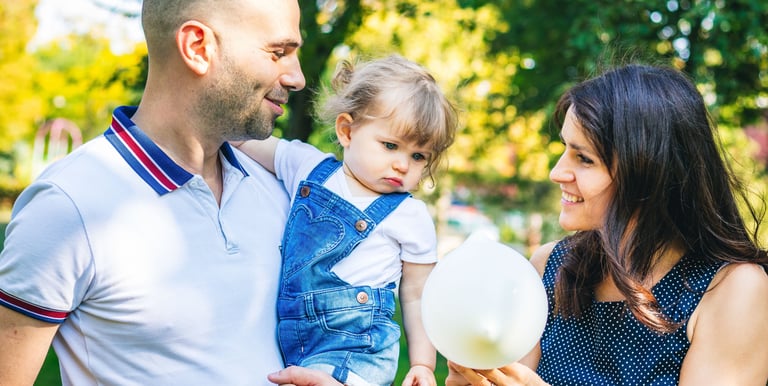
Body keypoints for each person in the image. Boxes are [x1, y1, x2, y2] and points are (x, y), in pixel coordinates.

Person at [0, 0, 307, 384]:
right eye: (279, 53)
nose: (297, 78)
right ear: (198, 46)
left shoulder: (283, 191)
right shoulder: (68, 205)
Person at [447, 64, 768, 385]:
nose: (557, 173)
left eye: (584, 159)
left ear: (647, 173)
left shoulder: (732, 290)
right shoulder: (549, 268)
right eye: (565, 149)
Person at [236, 54, 458, 386]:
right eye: (390, 145)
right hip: (291, 335)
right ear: (346, 131)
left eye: (418, 156)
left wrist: (424, 364)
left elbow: (416, 293)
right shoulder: (307, 167)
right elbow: (241, 139)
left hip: (358, 348)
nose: (402, 164)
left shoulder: (410, 215)